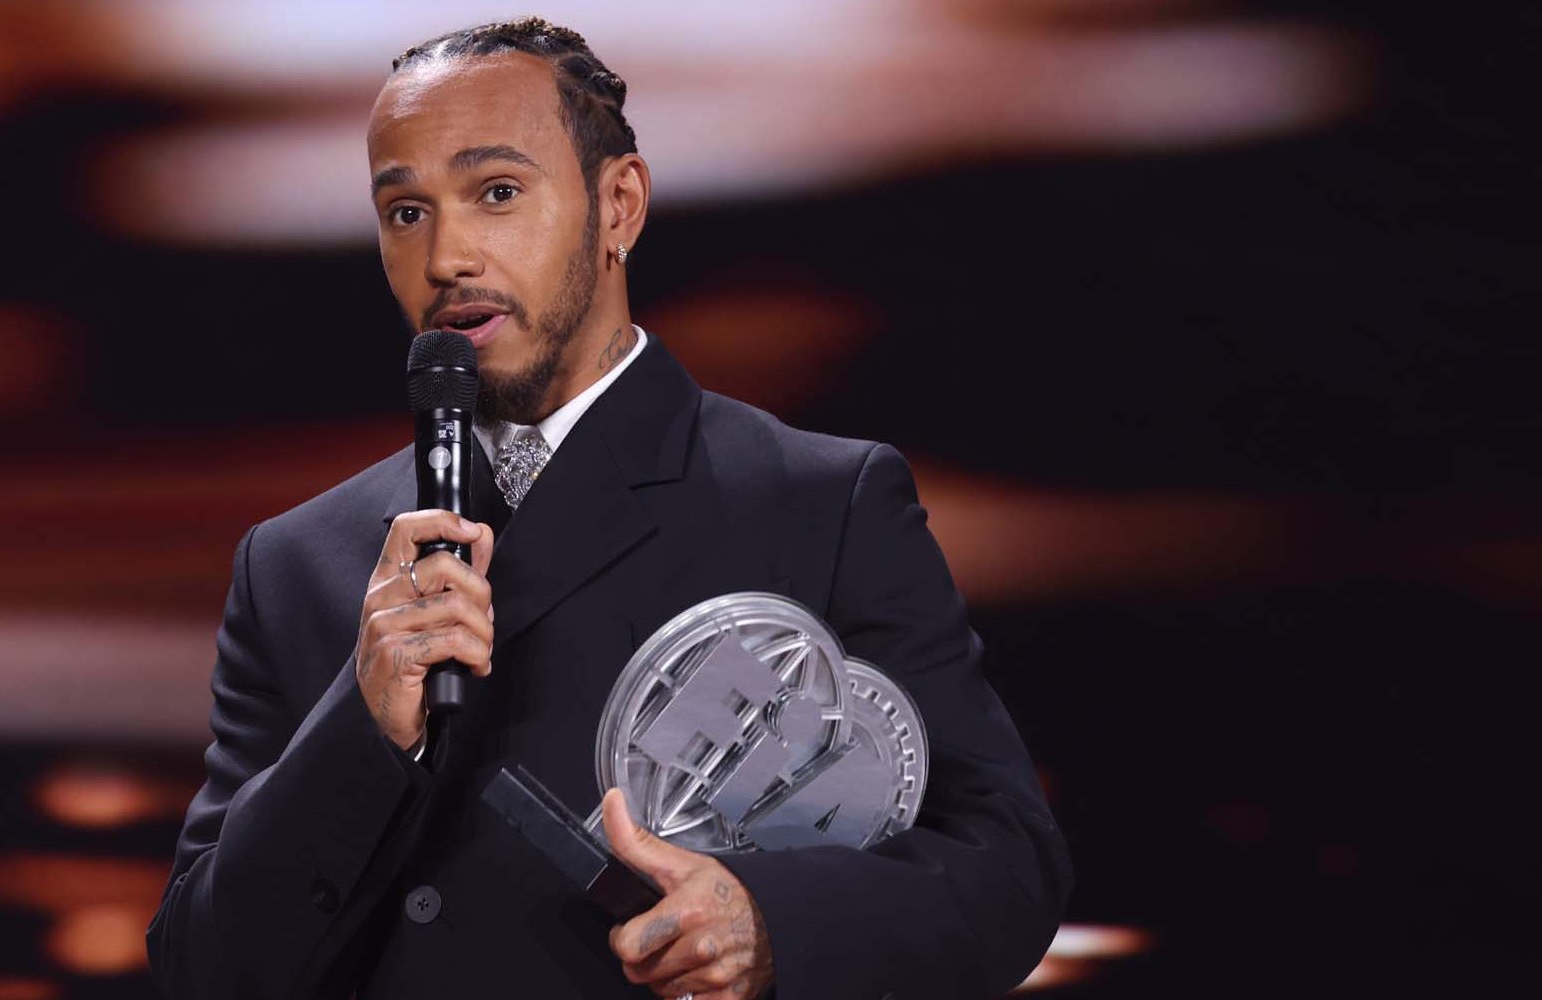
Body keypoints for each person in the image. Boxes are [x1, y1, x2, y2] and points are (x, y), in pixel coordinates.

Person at [146, 17, 1072, 1000]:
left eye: (496, 193)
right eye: (405, 211)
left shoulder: (816, 500)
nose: (446, 254)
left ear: (618, 203)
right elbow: (203, 970)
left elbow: (1007, 865)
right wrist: (362, 730)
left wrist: (771, 925)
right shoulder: (296, 563)